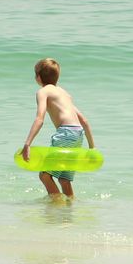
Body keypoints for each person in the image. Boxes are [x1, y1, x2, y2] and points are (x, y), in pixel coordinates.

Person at [21, 58, 96, 200]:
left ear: (38, 77)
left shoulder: (43, 92)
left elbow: (39, 119)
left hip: (65, 134)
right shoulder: (64, 93)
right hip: (78, 134)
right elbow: (84, 121)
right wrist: (92, 148)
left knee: (45, 175)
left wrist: (27, 144)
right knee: (64, 179)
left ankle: (58, 206)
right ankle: (70, 209)